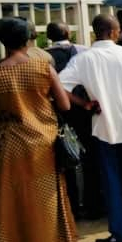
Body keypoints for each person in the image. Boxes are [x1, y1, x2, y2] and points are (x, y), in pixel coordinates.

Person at [0, 16, 86, 242]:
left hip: (11, 146)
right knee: (55, 202)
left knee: (15, 205)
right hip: (44, 143)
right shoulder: (42, 65)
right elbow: (65, 105)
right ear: (29, 38)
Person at [59, 14, 122, 242]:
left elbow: (59, 86)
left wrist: (84, 103)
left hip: (102, 126)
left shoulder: (84, 58)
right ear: (114, 32)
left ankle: (120, 233)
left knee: (111, 182)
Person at [45, 21, 98, 219]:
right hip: (86, 111)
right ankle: (94, 203)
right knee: (90, 157)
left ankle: (73, 206)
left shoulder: (45, 57)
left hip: (60, 114)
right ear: (69, 32)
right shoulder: (84, 51)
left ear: (49, 36)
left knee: (66, 157)